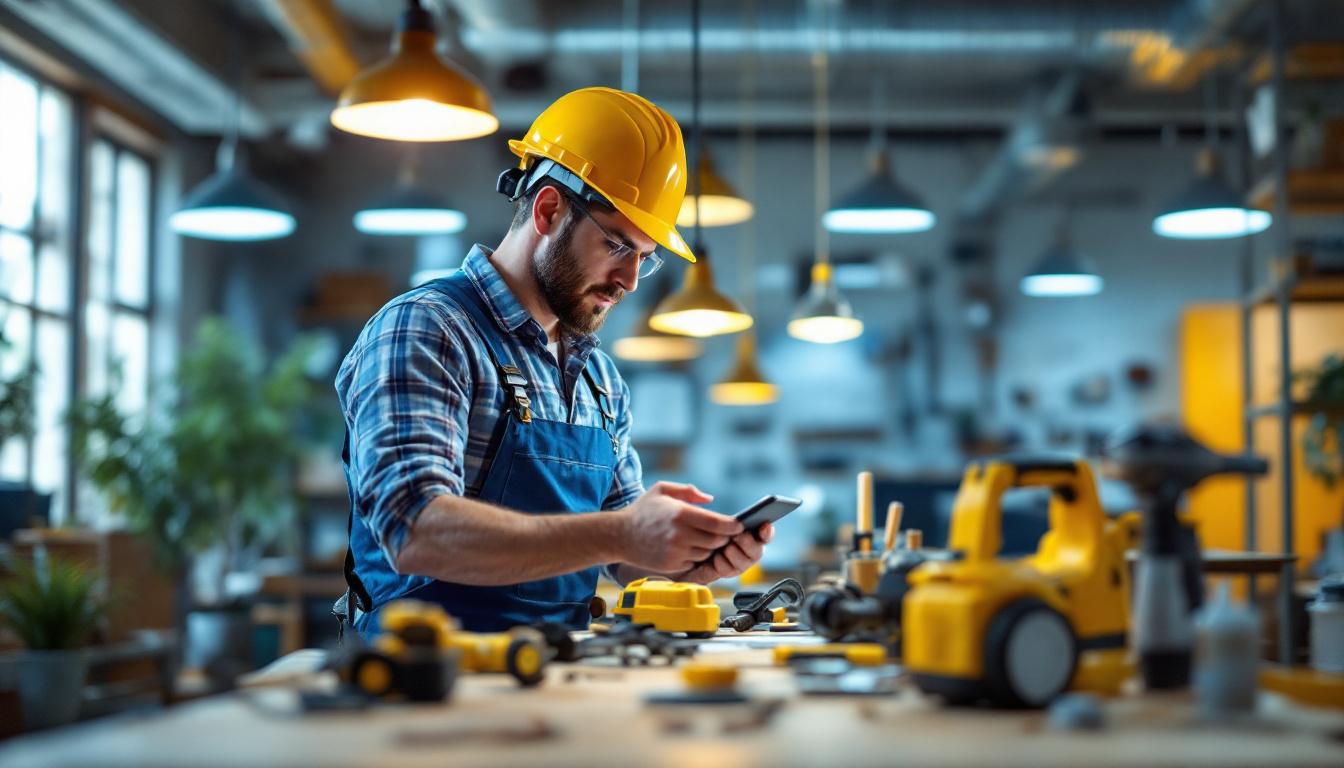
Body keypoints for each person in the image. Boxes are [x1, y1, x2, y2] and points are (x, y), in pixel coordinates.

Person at [334, 87, 772, 637]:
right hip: (425, 679)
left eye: (645, 258)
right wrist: (622, 533)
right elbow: (415, 530)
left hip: (555, 673)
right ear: (547, 209)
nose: (631, 281)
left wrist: (691, 561)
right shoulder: (427, 330)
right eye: (617, 246)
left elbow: (622, 554)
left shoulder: (598, 380)